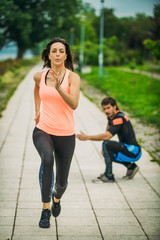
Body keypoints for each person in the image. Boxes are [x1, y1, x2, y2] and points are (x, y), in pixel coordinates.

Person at [32, 37, 80, 228]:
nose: (58, 54)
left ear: (66, 55)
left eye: (61, 51)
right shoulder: (39, 76)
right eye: (54, 51)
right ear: (48, 54)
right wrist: (37, 110)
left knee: (61, 183)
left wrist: (59, 87)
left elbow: (74, 104)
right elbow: (36, 89)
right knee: (47, 160)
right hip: (43, 129)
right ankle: (45, 211)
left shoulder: (73, 78)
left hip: (66, 134)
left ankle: (56, 198)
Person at [76, 97, 141, 183]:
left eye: (108, 108)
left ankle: (108, 175)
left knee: (106, 144)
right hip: (130, 149)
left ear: (115, 107)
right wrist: (106, 150)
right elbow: (107, 133)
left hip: (133, 151)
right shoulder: (112, 117)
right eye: (104, 109)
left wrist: (87, 137)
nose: (106, 111)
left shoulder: (119, 118)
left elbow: (107, 136)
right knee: (106, 150)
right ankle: (131, 167)